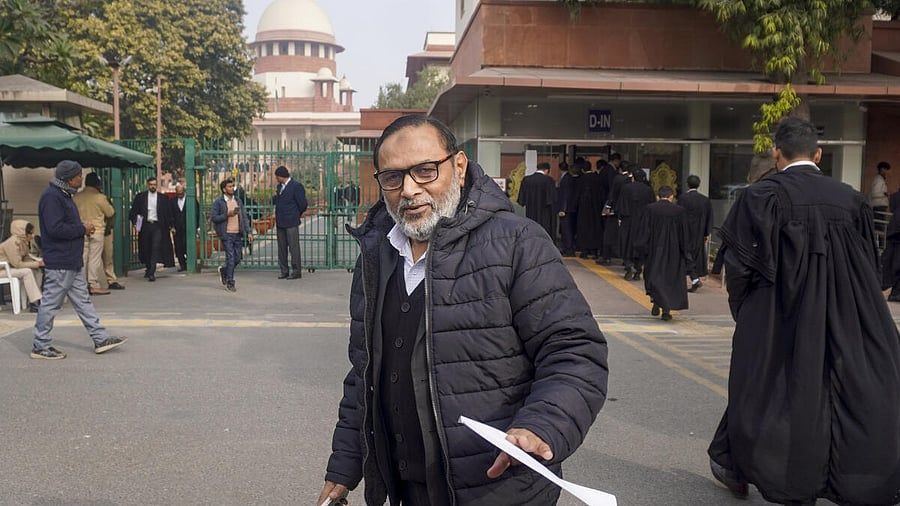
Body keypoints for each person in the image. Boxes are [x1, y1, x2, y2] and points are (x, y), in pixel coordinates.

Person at [317, 115, 609, 506]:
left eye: (425, 171)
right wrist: (344, 468)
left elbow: (575, 352)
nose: (409, 190)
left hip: (500, 489)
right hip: (410, 490)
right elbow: (365, 374)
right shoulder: (377, 255)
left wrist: (542, 425)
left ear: (458, 166)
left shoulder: (517, 243)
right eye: (393, 177)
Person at [707, 117, 900, 505]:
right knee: (848, 384)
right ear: (818, 154)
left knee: (766, 386)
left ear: (776, 153)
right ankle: (855, 477)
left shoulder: (760, 197)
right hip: (849, 309)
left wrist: (746, 312)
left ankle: (753, 467)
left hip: (781, 310)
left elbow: (741, 267)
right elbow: (868, 259)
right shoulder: (851, 199)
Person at [31, 160, 127, 360]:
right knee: (50, 304)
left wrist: (80, 226)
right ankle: (40, 345)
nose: (81, 179)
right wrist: (82, 229)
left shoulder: (64, 195)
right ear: (68, 178)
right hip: (60, 261)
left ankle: (100, 338)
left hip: (71, 261)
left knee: (83, 301)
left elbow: (62, 224)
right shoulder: (52, 198)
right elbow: (55, 229)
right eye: (78, 176)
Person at [636, 185, 690, 321]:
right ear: (671, 196)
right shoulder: (679, 211)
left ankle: (656, 300)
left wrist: (642, 249)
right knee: (669, 279)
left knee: (654, 276)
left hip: (655, 250)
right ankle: (666, 310)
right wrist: (686, 252)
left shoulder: (650, 209)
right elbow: (684, 234)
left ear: (658, 196)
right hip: (674, 251)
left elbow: (644, 232)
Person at [73, 172, 114, 295]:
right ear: (98, 184)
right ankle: (93, 284)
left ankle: (81, 284)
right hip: (97, 230)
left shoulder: (76, 197)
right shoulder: (100, 197)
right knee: (94, 259)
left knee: (83, 257)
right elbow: (110, 213)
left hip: (81, 230)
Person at [210, 178, 252, 292]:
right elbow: (214, 217)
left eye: (232, 186)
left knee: (238, 258)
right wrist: (227, 214)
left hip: (237, 233)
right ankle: (230, 282)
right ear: (224, 189)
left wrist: (248, 231)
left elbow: (243, 217)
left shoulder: (238, 200)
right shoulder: (218, 202)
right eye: (229, 186)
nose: (232, 188)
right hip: (226, 234)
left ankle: (224, 270)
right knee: (231, 257)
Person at [128, 176, 173, 281]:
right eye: (151, 185)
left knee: (155, 247)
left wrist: (171, 226)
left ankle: (152, 272)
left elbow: (168, 214)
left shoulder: (163, 198)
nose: (153, 186)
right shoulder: (141, 197)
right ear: (148, 185)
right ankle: (148, 268)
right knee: (146, 248)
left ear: (156, 185)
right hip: (145, 226)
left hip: (157, 226)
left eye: (154, 184)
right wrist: (136, 224)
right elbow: (135, 212)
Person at [616, 169, 655, 281]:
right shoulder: (648, 190)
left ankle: (629, 265)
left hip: (628, 220)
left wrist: (620, 217)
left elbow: (621, 204)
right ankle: (638, 270)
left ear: (633, 177)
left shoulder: (626, 188)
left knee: (626, 242)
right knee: (641, 245)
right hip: (643, 222)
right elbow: (651, 206)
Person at [678, 174, 713, 292]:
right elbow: (710, 217)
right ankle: (694, 278)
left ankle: (694, 279)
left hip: (685, 231)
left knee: (685, 254)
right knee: (696, 255)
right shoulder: (705, 200)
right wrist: (706, 233)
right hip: (699, 232)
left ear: (687, 184)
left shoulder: (683, 198)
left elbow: (678, 215)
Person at [0, 219, 43, 312]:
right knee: (27, 271)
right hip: (3, 270)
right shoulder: (11, 243)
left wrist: (37, 264)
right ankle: (35, 302)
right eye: (30, 233)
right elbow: (18, 264)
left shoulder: (23, 242)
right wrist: (37, 263)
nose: (32, 236)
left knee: (36, 271)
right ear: (22, 232)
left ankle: (36, 299)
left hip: (10, 268)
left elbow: (26, 257)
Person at [273, 166, 308, 279]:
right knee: (282, 248)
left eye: (277, 177)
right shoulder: (279, 187)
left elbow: (302, 204)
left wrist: (296, 213)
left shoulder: (296, 186)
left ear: (280, 176)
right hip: (280, 221)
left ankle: (296, 271)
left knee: (293, 247)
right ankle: (284, 270)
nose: (276, 179)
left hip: (291, 221)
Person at [516, 161, 556, 238]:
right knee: (545, 228)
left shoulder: (527, 179)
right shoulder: (548, 180)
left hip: (531, 208)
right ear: (547, 170)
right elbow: (552, 198)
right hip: (545, 209)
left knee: (531, 227)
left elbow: (522, 198)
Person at [556, 160, 581, 256]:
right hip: (568, 208)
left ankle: (569, 249)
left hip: (566, 209)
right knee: (566, 229)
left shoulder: (566, 179)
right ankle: (567, 248)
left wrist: (563, 208)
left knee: (566, 229)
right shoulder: (567, 178)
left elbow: (565, 195)